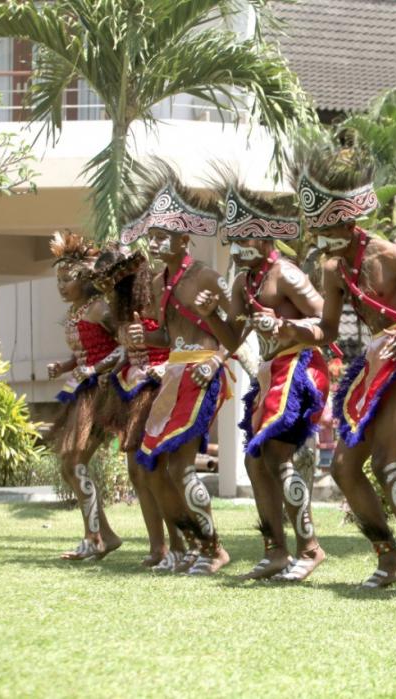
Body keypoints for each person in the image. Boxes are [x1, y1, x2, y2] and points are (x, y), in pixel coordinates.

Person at [276, 132, 396, 592]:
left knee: (389, 464)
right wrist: (293, 330)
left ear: (349, 222)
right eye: (315, 228)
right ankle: (391, 559)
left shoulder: (393, 257)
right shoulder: (333, 271)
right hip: (372, 365)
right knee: (344, 469)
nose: (318, 237)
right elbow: (327, 330)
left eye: (326, 229)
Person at [194, 179, 330, 582]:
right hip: (270, 373)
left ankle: (310, 549)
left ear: (267, 233)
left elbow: (327, 319)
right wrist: (211, 315)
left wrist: (283, 323)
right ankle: (275, 551)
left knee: (276, 457)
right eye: (233, 237)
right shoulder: (242, 282)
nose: (238, 245)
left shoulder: (285, 274)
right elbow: (233, 339)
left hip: (300, 366)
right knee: (255, 461)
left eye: (246, 235)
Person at [121, 169, 233, 576]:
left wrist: (216, 359)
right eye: (151, 235)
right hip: (173, 375)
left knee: (181, 467)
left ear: (185, 239)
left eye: (163, 235)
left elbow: (237, 333)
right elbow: (168, 335)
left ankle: (214, 549)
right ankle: (192, 546)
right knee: (154, 467)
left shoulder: (205, 275)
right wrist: (141, 337)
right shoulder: (156, 281)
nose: (153, 242)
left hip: (203, 372)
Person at [92, 245, 187, 571]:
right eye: (104, 283)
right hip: (130, 388)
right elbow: (125, 349)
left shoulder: (157, 297)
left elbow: (179, 338)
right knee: (136, 472)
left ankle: (179, 545)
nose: (110, 287)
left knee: (155, 470)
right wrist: (109, 366)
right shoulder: (120, 307)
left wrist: (161, 361)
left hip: (158, 386)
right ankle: (158, 547)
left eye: (115, 279)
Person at [45, 231, 125, 560]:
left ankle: (95, 538)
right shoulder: (78, 310)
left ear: (86, 279)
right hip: (82, 391)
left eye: (68, 279)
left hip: (103, 393)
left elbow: (124, 345)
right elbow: (87, 351)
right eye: (59, 280)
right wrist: (65, 366)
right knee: (69, 465)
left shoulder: (99, 308)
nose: (61, 286)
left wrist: (94, 371)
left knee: (74, 462)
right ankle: (103, 535)